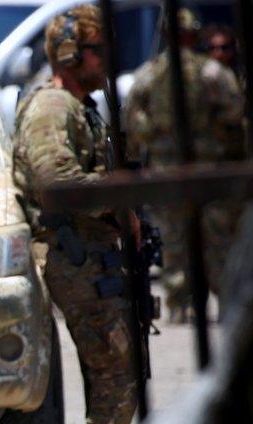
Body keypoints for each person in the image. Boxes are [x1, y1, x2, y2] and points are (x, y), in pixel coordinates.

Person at [12, 4, 146, 424]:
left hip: (90, 255)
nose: (107, 59)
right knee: (116, 361)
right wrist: (120, 193)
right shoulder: (54, 108)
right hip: (72, 255)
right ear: (71, 54)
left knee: (117, 361)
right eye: (98, 51)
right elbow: (58, 185)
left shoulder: (80, 105)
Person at [125, 9, 245, 323]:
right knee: (217, 240)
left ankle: (181, 304)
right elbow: (235, 111)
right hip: (209, 172)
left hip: (168, 173)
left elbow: (132, 119)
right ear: (193, 36)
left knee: (175, 240)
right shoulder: (212, 73)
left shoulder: (150, 74)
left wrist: (156, 134)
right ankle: (227, 301)